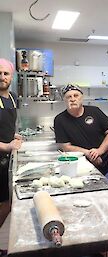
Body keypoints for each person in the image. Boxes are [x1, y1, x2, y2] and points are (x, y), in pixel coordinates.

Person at [54, 84, 108, 175]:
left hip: (106, 160)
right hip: (81, 164)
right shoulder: (60, 120)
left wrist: (99, 151)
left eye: (76, 95)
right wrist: (89, 154)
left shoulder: (95, 111)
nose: (72, 99)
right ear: (64, 100)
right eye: (68, 97)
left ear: (82, 97)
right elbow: (65, 146)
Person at [0, 58, 22, 256]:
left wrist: (12, 136)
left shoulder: (13, 97)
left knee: (7, 201)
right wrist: (6, 145)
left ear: (11, 76)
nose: (2, 77)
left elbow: (7, 125)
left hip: (7, 161)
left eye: (5, 73)